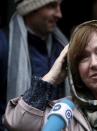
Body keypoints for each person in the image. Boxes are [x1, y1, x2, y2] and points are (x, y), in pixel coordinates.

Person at [0, 0, 69, 130]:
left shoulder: (61, 46)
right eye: (52, 6)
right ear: (31, 8)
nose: (59, 14)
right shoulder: (4, 45)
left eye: (60, 6)